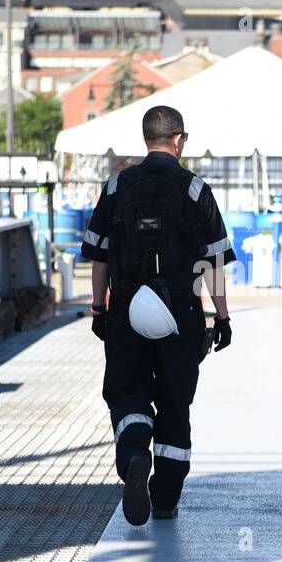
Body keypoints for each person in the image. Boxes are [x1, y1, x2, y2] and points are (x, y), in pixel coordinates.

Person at [81, 105, 236, 526]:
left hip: (127, 310)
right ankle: (165, 499)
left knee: (127, 393)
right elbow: (213, 263)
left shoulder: (118, 186)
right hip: (180, 312)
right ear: (179, 140)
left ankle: (134, 453)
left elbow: (97, 256)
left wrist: (99, 307)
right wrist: (221, 318)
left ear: (146, 138)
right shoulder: (194, 189)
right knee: (174, 402)